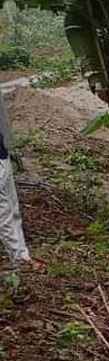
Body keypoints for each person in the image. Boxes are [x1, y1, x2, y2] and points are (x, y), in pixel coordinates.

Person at [0, 89, 32, 290]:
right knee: (4, 211)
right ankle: (18, 257)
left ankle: (22, 255)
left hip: (1, 154)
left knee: (12, 208)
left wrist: (9, 150)